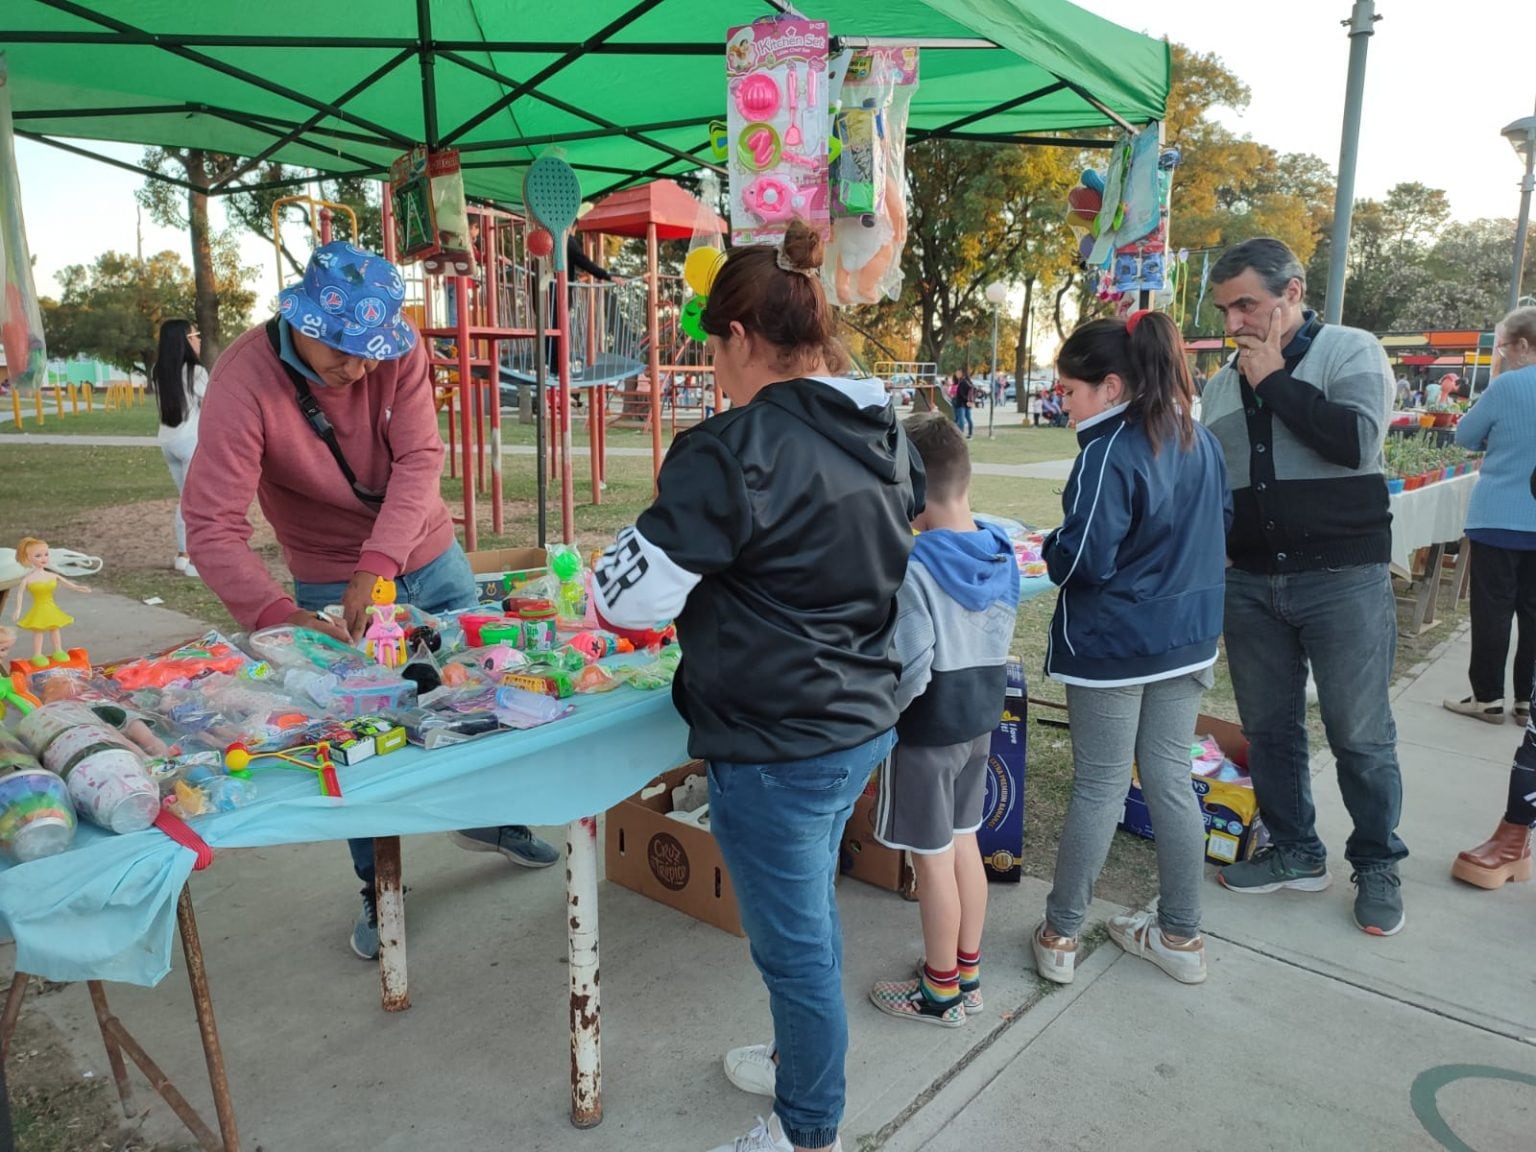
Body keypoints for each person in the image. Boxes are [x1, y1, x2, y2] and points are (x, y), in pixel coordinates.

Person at [590, 220, 921, 1152]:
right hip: (857, 715)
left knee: (797, 944)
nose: (714, 372)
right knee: (806, 916)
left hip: (782, 738)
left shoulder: (735, 447)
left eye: (714, 351)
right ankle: (797, 1067)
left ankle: (809, 1125)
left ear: (739, 338)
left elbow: (629, 600)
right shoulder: (881, 428)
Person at [183, 241, 558, 962]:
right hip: (326, 574)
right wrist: (277, 618)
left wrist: (381, 563)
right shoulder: (243, 382)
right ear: (302, 322)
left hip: (427, 552)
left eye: (372, 352)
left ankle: (496, 817)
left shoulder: (398, 351)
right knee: (357, 736)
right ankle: (376, 884)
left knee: (488, 685)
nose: (360, 369)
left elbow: (421, 457)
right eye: (342, 352)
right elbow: (212, 524)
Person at [1201, 237, 1407, 937]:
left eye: (1247, 304)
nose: (1235, 323)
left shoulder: (1350, 351)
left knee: (1360, 733)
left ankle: (1377, 861)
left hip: (1341, 578)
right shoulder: (1220, 384)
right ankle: (1295, 850)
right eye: (1226, 308)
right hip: (1252, 584)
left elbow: (1356, 442)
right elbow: (1218, 488)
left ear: (1291, 293)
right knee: (1269, 730)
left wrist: (1275, 380)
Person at [1030, 311, 1230, 987]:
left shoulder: (1108, 451)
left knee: (1101, 786)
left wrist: (1048, 549)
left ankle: (1060, 932)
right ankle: (1181, 934)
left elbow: (1083, 557)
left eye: (1070, 392)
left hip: (1117, 645)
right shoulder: (1199, 440)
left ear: (1110, 386)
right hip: (1189, 638)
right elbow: (1218, 529)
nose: (1064, 405)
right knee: (1171, 780)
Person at [866, 413, 1018, 1026]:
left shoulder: (914, 567)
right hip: (979, 722)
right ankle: (968, 974)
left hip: (926, 733)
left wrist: (881, 716)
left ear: (911, 490)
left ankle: (939, 992)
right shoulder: (1000, 550)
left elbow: (913, 663)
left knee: (930, 863)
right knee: (964, 845)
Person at [1442, 307, 1536, 725]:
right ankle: (1527, 699)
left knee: (1492, 609)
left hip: (1500, 512)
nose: (1502, 355)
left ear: (1521, 345)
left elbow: (1465, 436)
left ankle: (1488, 697)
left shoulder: (1506, 387)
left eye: (1503, 347)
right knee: (1533, 613)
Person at [153, 319, 209, 578]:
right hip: (191, 441)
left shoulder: (158, 370)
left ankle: (182, 555)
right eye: (195, 335)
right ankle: (192, 559)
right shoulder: (196, 372)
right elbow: (211, 405)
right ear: (184, 341)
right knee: (192, 501)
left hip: (168, 440)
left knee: (185, 498)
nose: (198, 340)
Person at [951, 371, 974, 438]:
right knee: (968, 418)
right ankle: (970, 433)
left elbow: (960, 393)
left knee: (961, 419)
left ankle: (960, 433)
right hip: (967, 403)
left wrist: (964, 399)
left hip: (961, 403)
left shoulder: (962, 383)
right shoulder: (969, 383)